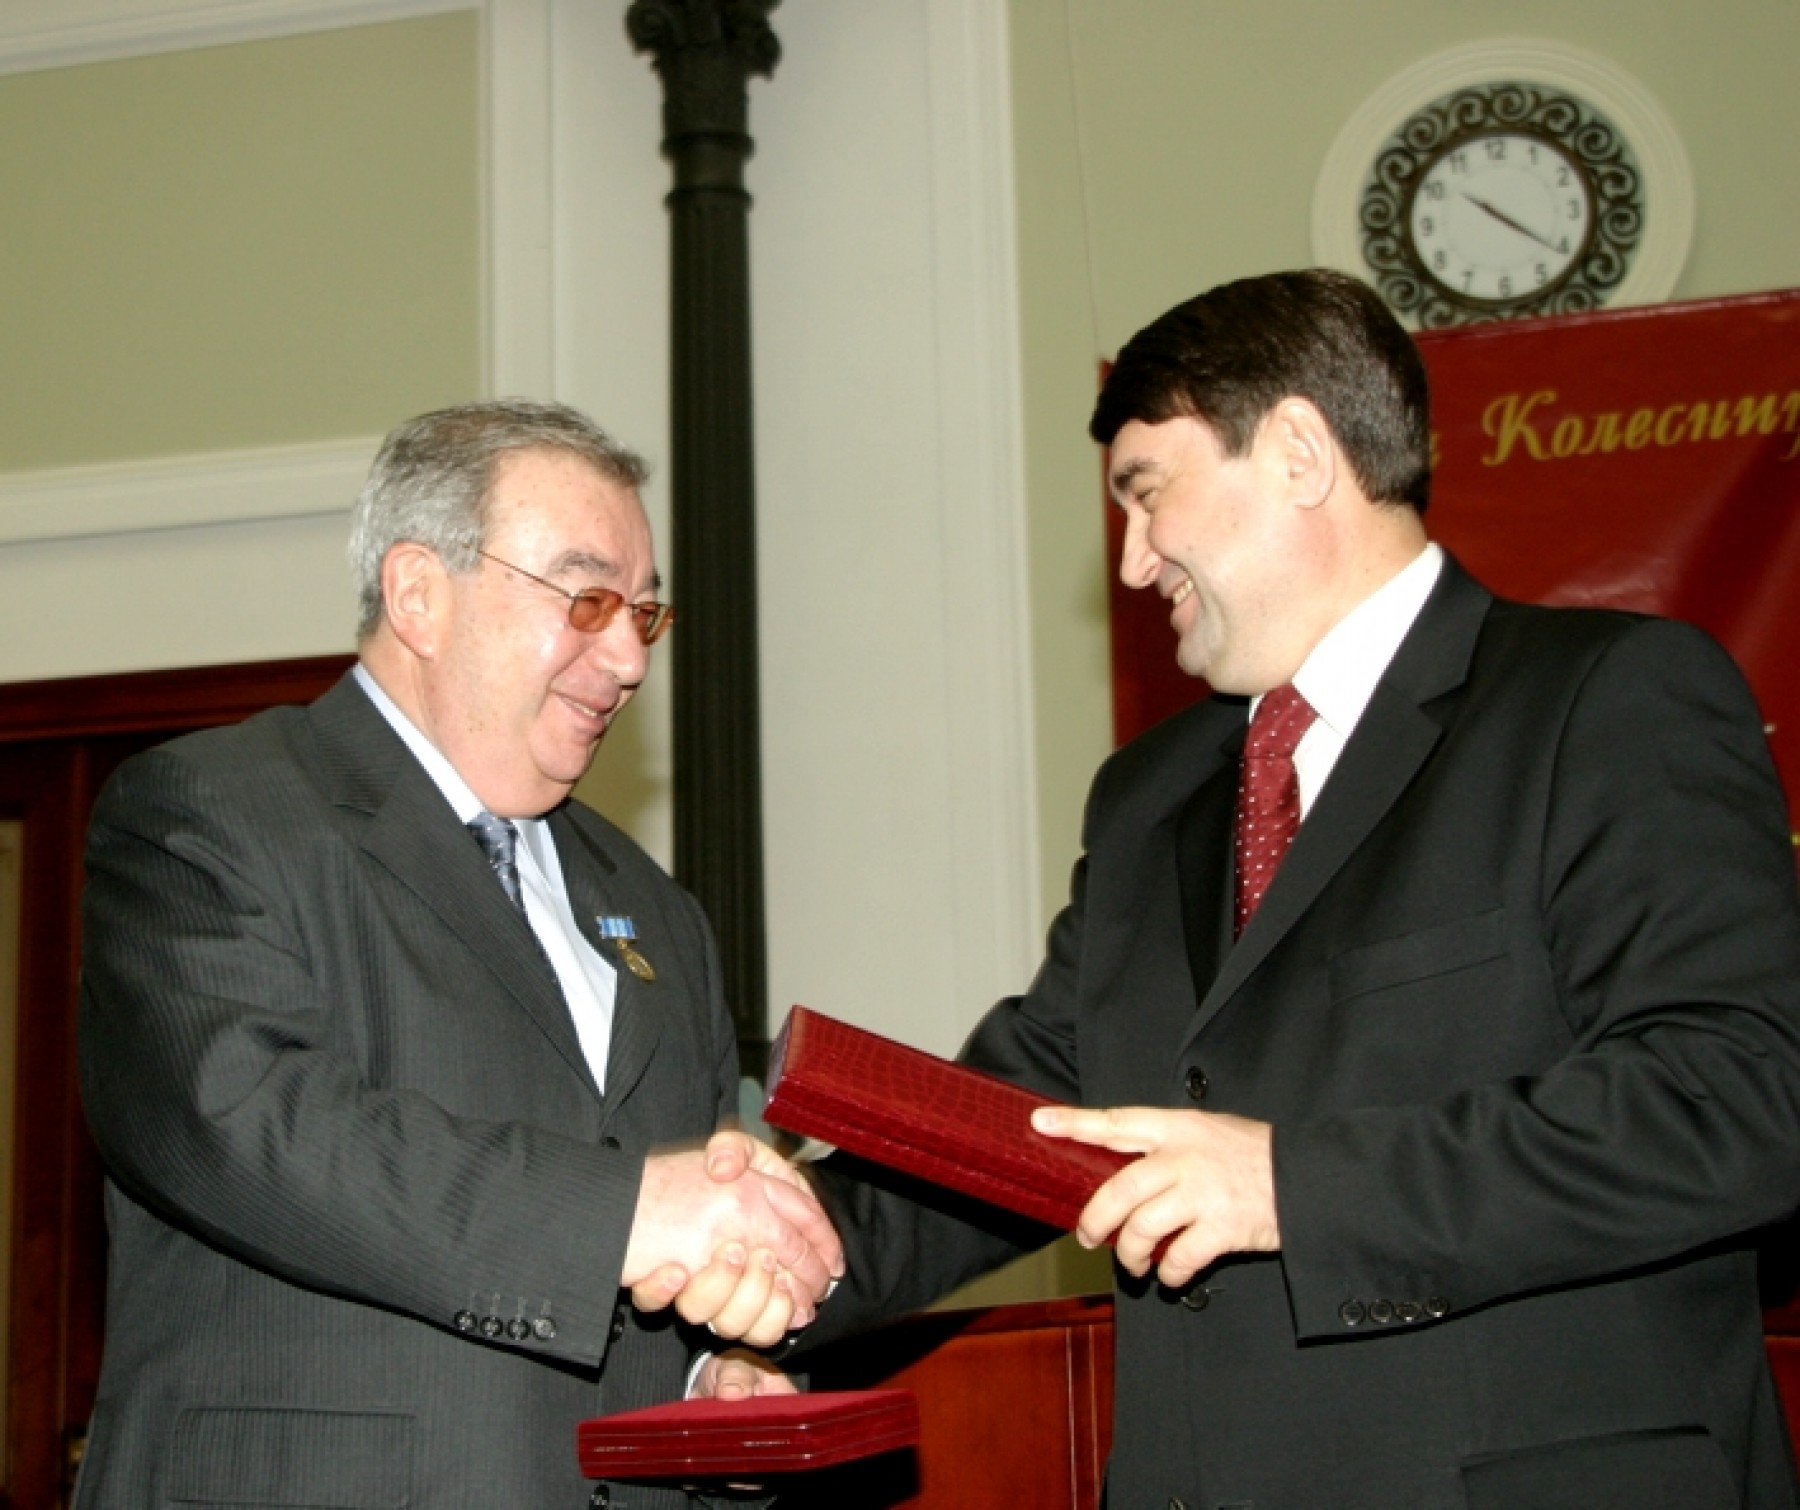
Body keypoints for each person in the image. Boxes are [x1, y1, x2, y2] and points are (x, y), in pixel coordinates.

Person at [689, 270, 1800, 1507]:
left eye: (1145, 491)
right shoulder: (1148, 795)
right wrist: (786, 1244)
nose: (1130, 562)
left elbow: (1738, 1099)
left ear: (1298, 452)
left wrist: (1290, 1187)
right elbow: (1028, 1124)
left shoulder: (1606, 701)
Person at [74, 399, 838, 1510]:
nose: (629, 657)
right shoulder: (209, 812)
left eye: (644, 613)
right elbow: (237, 1121)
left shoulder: (658, 913)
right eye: (587, 600)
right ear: (419, 594)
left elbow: (664, 1261)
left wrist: (713, 1378)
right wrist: (626, 1214)